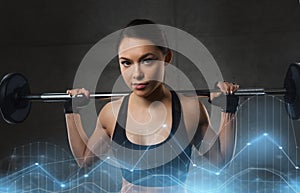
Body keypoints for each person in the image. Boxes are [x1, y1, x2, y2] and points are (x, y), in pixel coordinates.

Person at [64, 19, 239, 193]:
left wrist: (228, 107)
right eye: (126, 62)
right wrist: (72, 110)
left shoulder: (189, 109)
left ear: (167, 58)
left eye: (147, 60)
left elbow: (220, 160)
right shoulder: (112, 113)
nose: (137, 74)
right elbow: (85, 161)